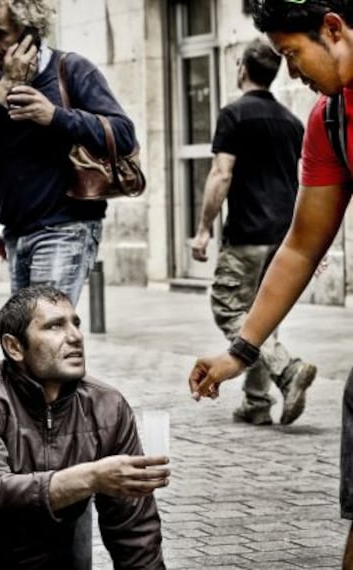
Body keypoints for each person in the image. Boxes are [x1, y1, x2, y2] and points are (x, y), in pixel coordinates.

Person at [187, 1, 353, 566]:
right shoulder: (326, 120)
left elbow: (223, 173)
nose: (291, 73)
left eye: (292, 53)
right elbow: (303, 244)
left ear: (332, 29)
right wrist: (239, 351)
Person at [0, 284, 170, 570]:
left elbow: (134, 528)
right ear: (14, 347)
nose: (75, 337)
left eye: (76, 323)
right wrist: (91, 477)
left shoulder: (107, 406)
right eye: (54, 327)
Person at [0, 0, 138, 306]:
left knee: (44, 330)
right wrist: (3, 90)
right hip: (15, 232)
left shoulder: (72, 69)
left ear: (30, 33)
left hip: (67, 226)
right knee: (31, 340)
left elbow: (123, 134)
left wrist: (55, 116)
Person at [191, 38, 316, 426]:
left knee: (228, 306)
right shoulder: (292, 121)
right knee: (263, 314)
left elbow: (221, 173)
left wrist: (203, 229)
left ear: (242, 69)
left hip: (246, 232)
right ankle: (256, 401)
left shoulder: (233, 114)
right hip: (283, 237)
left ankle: (287, 368)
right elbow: (303, 183)